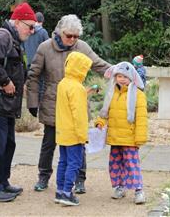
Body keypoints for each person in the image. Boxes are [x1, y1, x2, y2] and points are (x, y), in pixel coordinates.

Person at [26, 14, 112, 193]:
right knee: (49, 143)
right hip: (53, 103)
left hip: (77, 105)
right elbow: (33, 75)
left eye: (76, 36)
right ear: (59, 32)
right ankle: (43, 176)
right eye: (69, 35)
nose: (72, 39)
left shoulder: (82, 47)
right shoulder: (45, 48)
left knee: (79, 142)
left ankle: (80, 179)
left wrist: (122, 71)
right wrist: (32, 102)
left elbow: (99, 65)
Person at [0, 2, 37, 202]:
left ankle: (2, 182)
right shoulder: (2, 36)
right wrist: (5, 81)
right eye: (30, 26)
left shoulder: (12, 38)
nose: (32, 31)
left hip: (5, 105)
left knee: (7, 144)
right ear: (18, 22)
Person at [95, 61, 148, 205]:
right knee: (115, 164)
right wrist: (100, 122)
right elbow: (105, 111)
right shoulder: (111, 93)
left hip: (130, 138)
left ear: (132, 77)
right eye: (118, 76)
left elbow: (141, 118)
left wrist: (140, 137)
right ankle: (119, 187)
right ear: (115, 77)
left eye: (125, 76)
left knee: (132, 164)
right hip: (115, 137)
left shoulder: (138, 95)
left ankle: (138, 190)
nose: (122, 79)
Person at [54, 51, 92, 206]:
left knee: (63, 162)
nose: (86, 72)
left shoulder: (63, 83)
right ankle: (67, 193)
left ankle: (59, 190)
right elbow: (79, 115)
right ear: (80, 68)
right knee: (74, 163)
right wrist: (83, 135)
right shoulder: (77, 88)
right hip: (74, 134)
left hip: (62, 132)